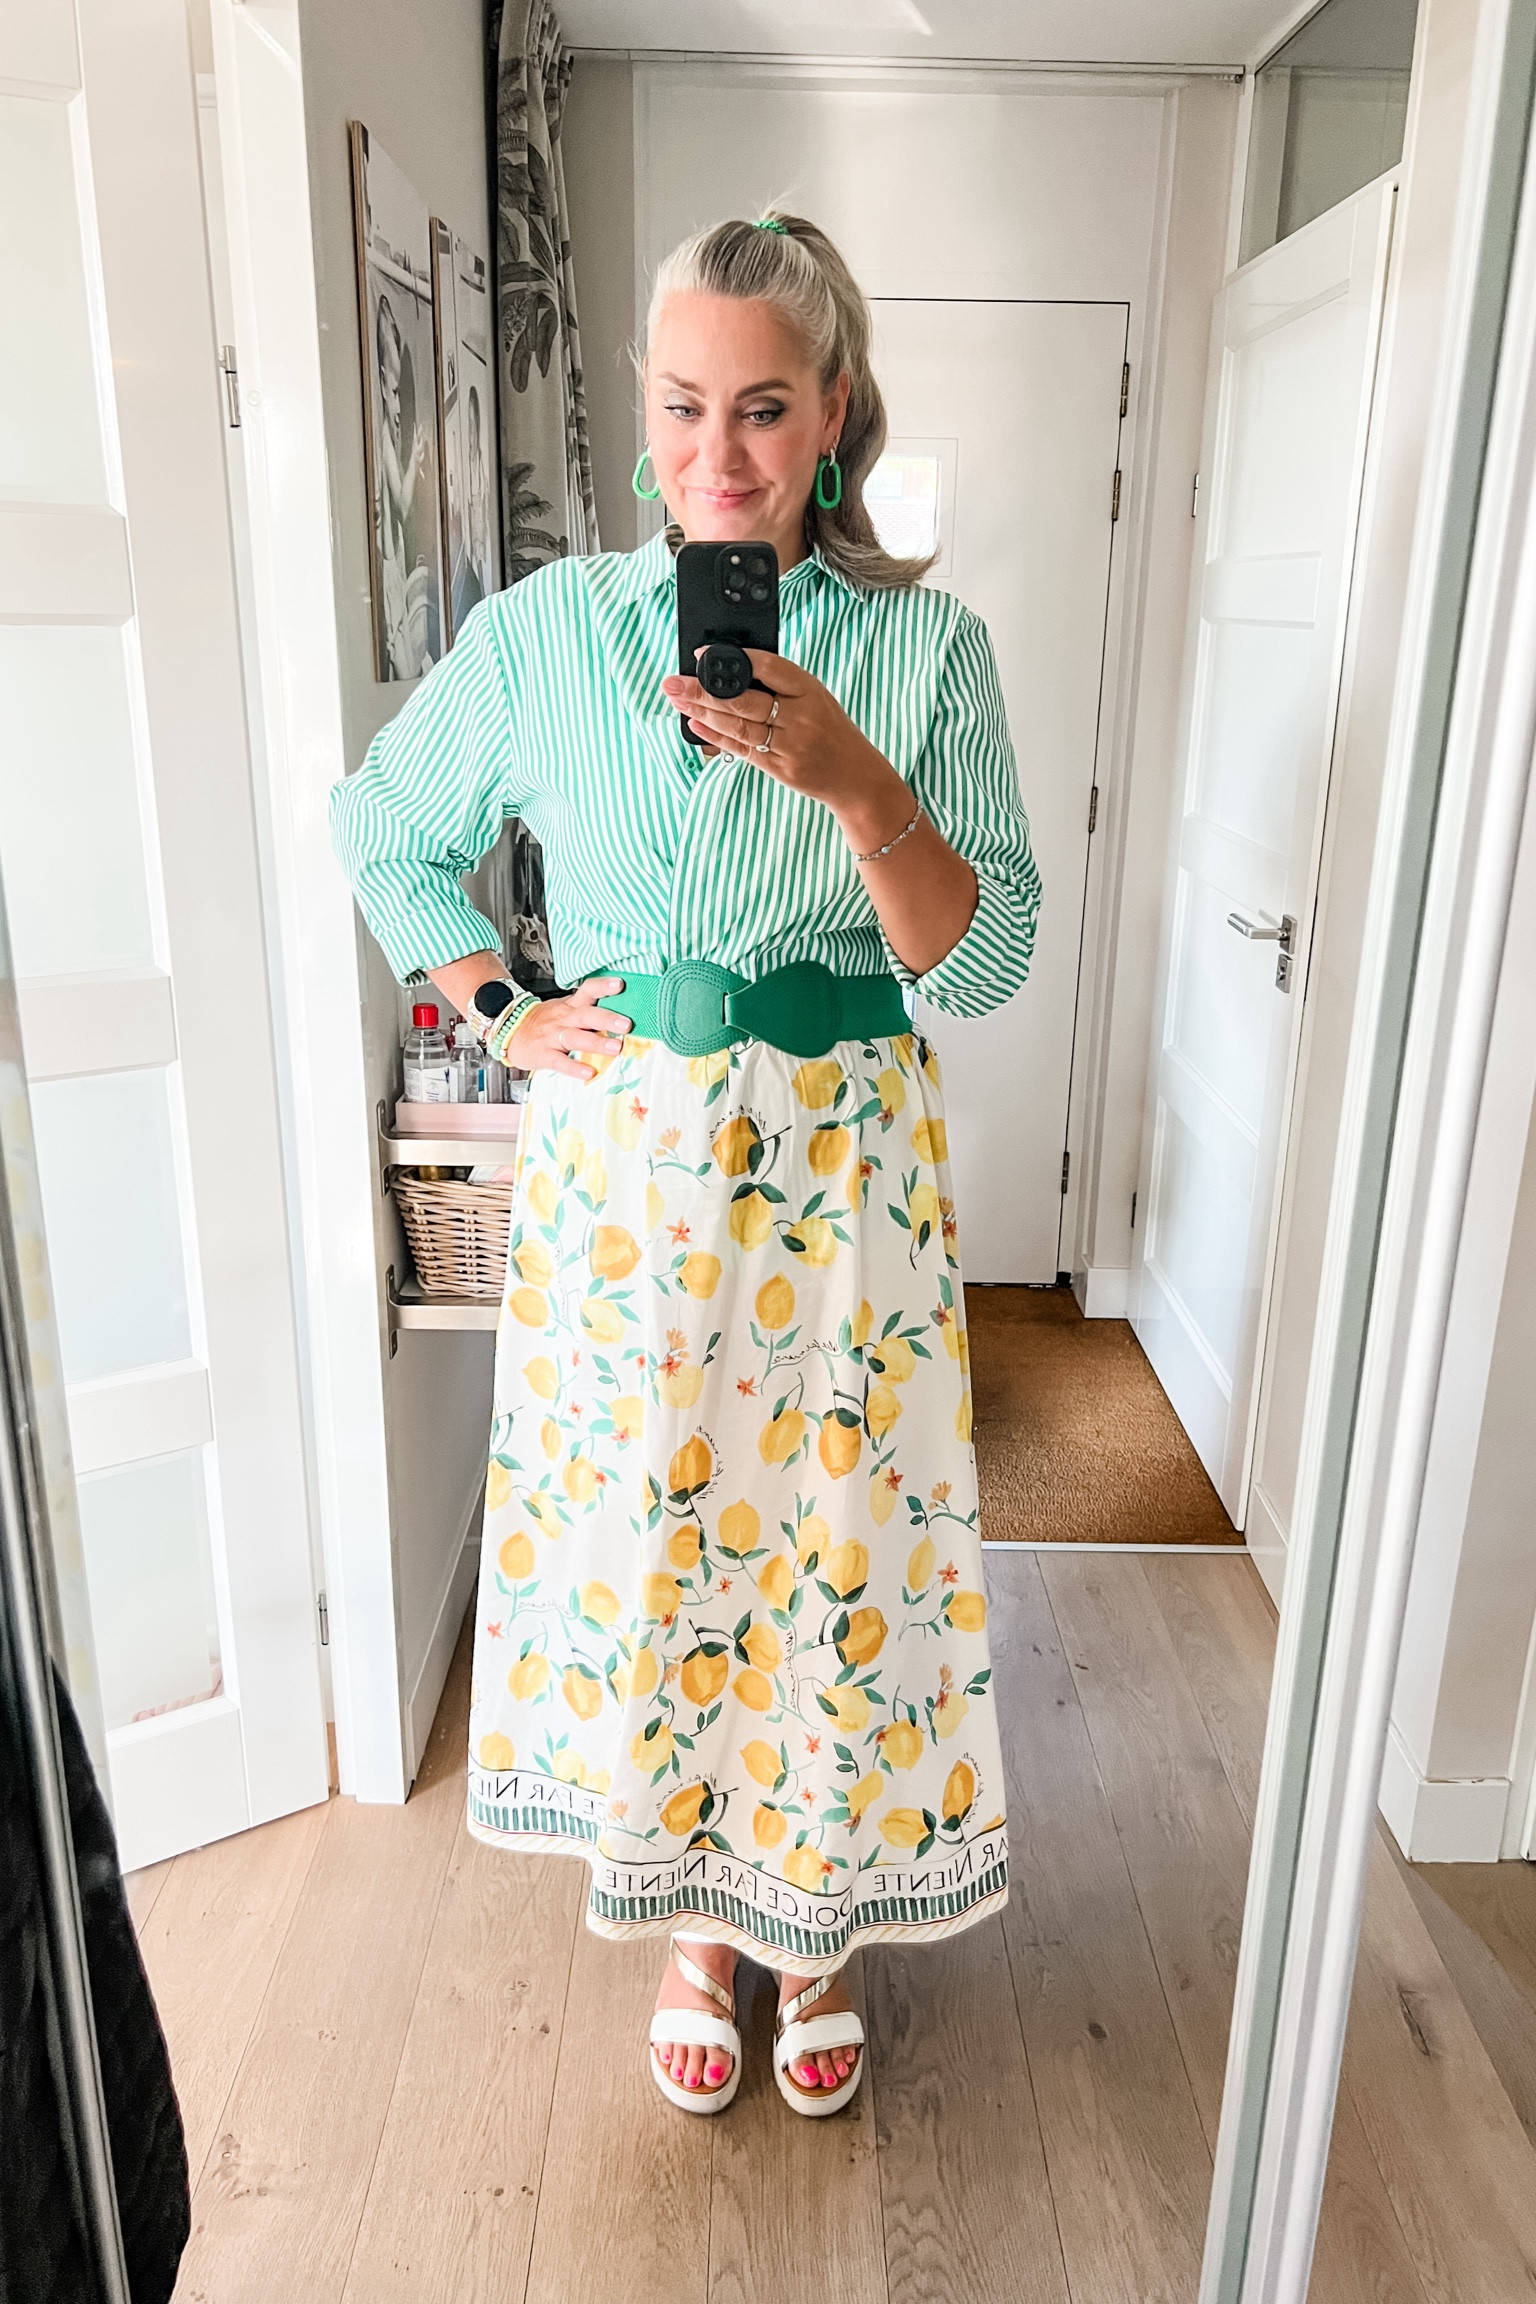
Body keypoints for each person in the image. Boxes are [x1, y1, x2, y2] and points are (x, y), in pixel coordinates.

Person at [331, 210, 1040, 2118]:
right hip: (630, 1179)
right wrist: (501, 1005)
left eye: (763, 410)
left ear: (832, 419)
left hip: (845, 1186)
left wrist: (857, 787)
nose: (715, 458)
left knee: (824, 1547)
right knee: (660, 1547)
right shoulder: (547, 637)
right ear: (642, 414)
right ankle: (692, 1928)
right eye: (679, 407)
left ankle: (810, 1926)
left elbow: (983, 957)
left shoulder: (925, 649)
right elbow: (382, 824)